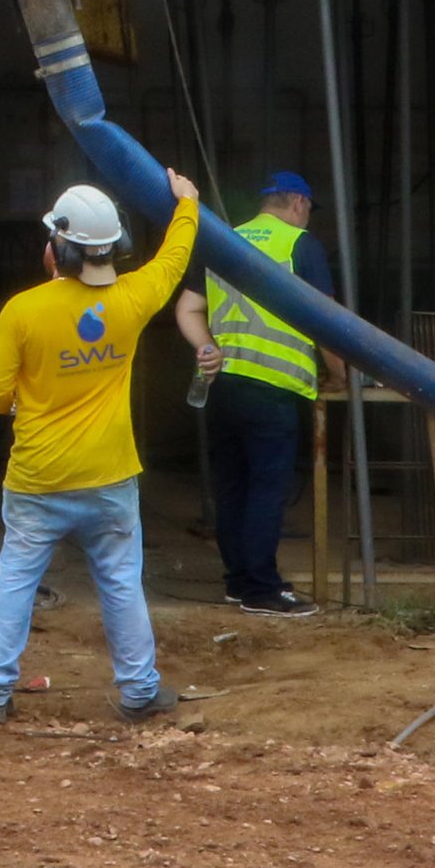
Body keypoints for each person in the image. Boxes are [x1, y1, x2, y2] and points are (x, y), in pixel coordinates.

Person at [0, 171, 202, 723]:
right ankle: (138, 691)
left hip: (38, 478)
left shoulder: (24, 310)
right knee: (121, 584)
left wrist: (18, 403)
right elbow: (173, 261)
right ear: (117, 246)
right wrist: (187, 205)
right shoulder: (134, 297)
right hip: (110, 476)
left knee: (15, 580)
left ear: (58, 248)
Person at [172, 170, 335, 617]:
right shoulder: (300, 245)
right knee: (266, 488)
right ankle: (262, 589)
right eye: (308, 211)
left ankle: (239, 581)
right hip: (273, 388)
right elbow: (328, 323)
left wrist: (208, 348)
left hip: (223, 385)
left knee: (233, 486)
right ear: (299, 203)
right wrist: (340, 374)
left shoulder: (224, 241)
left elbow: (187, 308)